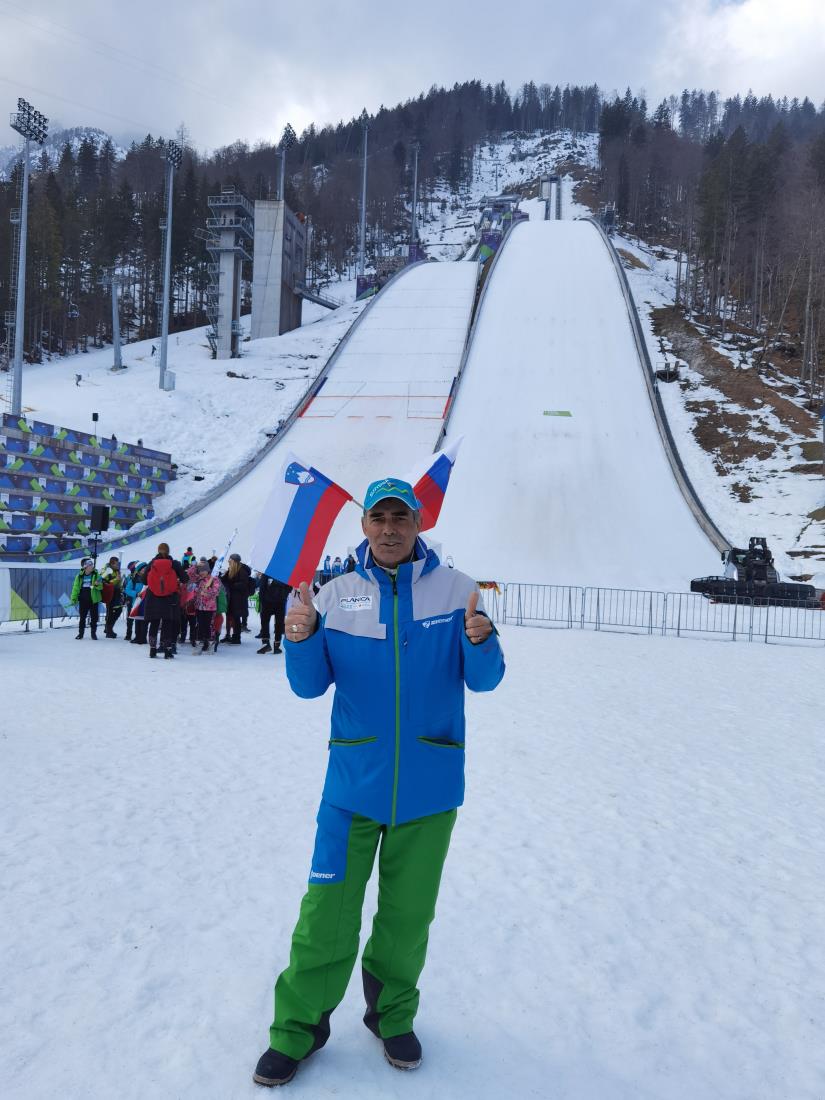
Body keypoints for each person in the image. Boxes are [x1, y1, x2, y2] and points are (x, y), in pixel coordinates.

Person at [253, 476, 505, 1088]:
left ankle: (392, 1016)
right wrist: (300, 638)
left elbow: (486, 679)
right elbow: (309, 687)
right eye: (379, 518)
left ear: (418, 522)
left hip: (429, 788)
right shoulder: (335, 595)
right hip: (352, 786)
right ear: (364, 524)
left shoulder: (459, 590)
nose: (390, 529)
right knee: (326, 913)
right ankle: (298, 1028)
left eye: (401, 517)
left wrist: (482, 642)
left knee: (407, 918)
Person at [143, 542, 186, 658]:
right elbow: (185, 579)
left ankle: (152, 650)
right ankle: (167, 651)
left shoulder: (152, 563)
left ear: (158, 550)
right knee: (167, 624)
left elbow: (144, 580)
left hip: (153, 598)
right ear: (168, 551)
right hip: (169, 599)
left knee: (154, 624)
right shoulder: (174, 563)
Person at [187, 558, 222, 653]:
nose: (201, 572)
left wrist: (206, 592)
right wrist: (196, 565)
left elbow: (216, 591)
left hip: (210, 608)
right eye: (200, 571)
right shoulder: (198, 579)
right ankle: (201, 643)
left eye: (204, 570)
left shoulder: (214, 579)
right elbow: (190, 573)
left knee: (209, 626)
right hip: (199, 606)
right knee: (200, 625)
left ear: (208, 570)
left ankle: (210, 643)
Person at [221, 553, 252, 644]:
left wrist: (231, 585)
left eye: (230, 560)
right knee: (230, 617)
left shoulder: (242, 570)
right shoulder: (231, 569)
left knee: (236, 618)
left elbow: (243, 584)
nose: (228, 561)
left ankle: (236, 638)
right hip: (232, 598)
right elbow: (224, 579)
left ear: (234, 561)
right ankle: (228, 635)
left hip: (239, 599)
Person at [257, 573, 291, 654]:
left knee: (267, 622)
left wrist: (262, 600)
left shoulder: (268, 572)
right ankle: (275, 645)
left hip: (272, 601)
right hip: (276, 601)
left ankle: (268, 644)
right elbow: (289, 588)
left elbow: (262, 587)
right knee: (276, 623)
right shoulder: (285, 573)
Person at [71, 557, 103, 640]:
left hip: (93, 600)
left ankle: (93, 634)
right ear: (85, 567)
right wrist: (73, 598)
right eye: (90, 565)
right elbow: (75, 588)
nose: (92, 566)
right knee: (82, 618)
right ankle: (80, 634)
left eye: (92, 565)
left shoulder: (96, 575)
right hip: (83, 600)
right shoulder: (79, 576)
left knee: (94, 618)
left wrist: (97, 585)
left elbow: (101, 587)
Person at [101, 556, 124, 637]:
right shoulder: (106, 570)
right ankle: (109, 630)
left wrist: (121, 586)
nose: (118, 566)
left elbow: (118, 583)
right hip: (109, 593)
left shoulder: (117, 571)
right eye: (116, 564)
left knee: (118, 610)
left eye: (118, 564)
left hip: (117, 593)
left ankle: (108, 628)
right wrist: (116, 579)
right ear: (111, 564)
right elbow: (104, 582)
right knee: (110, 612)